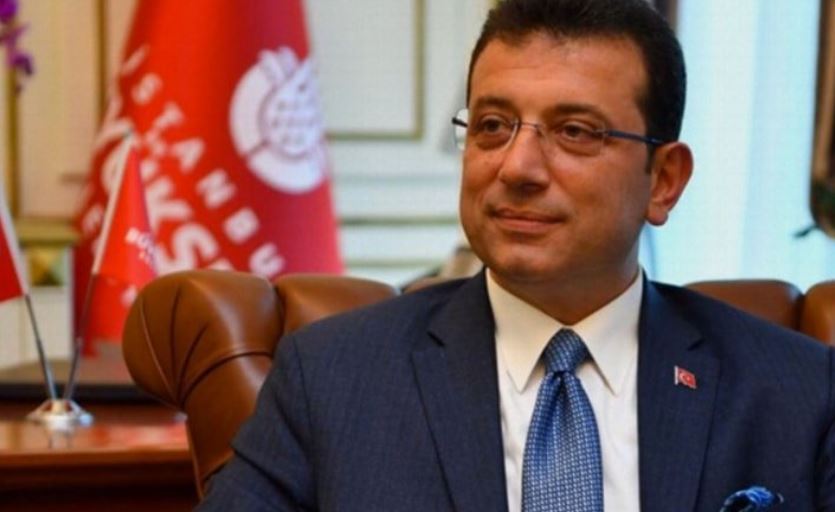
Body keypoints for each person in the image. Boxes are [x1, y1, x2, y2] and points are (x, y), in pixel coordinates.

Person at [198, 0, 835, 510]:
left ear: (664, 180)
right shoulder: (332, 379)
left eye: (574, 132)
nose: (517, 167)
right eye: (493, 126)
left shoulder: (798, 393)